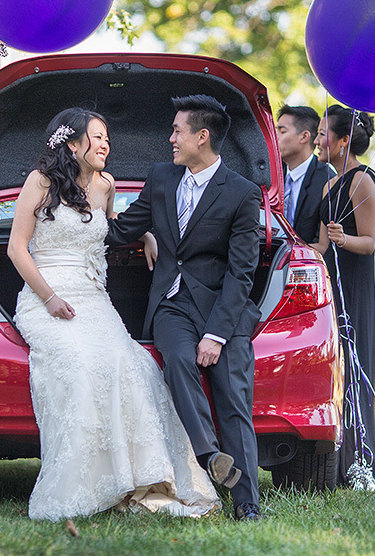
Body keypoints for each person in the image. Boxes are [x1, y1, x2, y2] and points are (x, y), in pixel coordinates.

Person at [8, 107, 220, 521]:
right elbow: (17, 248)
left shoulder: (105, 184)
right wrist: (49, 297)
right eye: (98, 137)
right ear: (73, 144)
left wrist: (146, 235)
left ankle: (142, 479)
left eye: (107, 138)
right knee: (79, 365)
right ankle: (87, 486)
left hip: (93, 298)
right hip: (44, 297)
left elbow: (111, 225)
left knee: (134, 365)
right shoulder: (40, 182)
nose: (106, 145)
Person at [106, 95, 263, 521]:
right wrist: (95, 192)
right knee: (177, 361)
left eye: (177, 131)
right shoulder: (160, 178)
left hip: (222, 310)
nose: (171, 138)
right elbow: (121, 230)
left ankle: (246, 503)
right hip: (171, 304)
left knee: (233, 397)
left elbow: (241, 273)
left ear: (202, 136)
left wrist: (215, 334)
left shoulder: (243, 194)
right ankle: (211, 455)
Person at [311, 104, 375, 487]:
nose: (319, 140)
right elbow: (322, 248)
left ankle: (362, 463)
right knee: (334, 370)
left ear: (343, 141)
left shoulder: (363, 181)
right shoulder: (327, 184)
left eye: (323, 134)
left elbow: (369, 243)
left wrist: (345, 238)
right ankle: (335, 462)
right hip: (329, 289)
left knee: (356, 368)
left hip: (354, 287)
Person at [276, 104, 335, 245]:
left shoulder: (328, 180)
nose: (274, 136)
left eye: (282, 131)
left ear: (304, 136)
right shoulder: (269, 173)